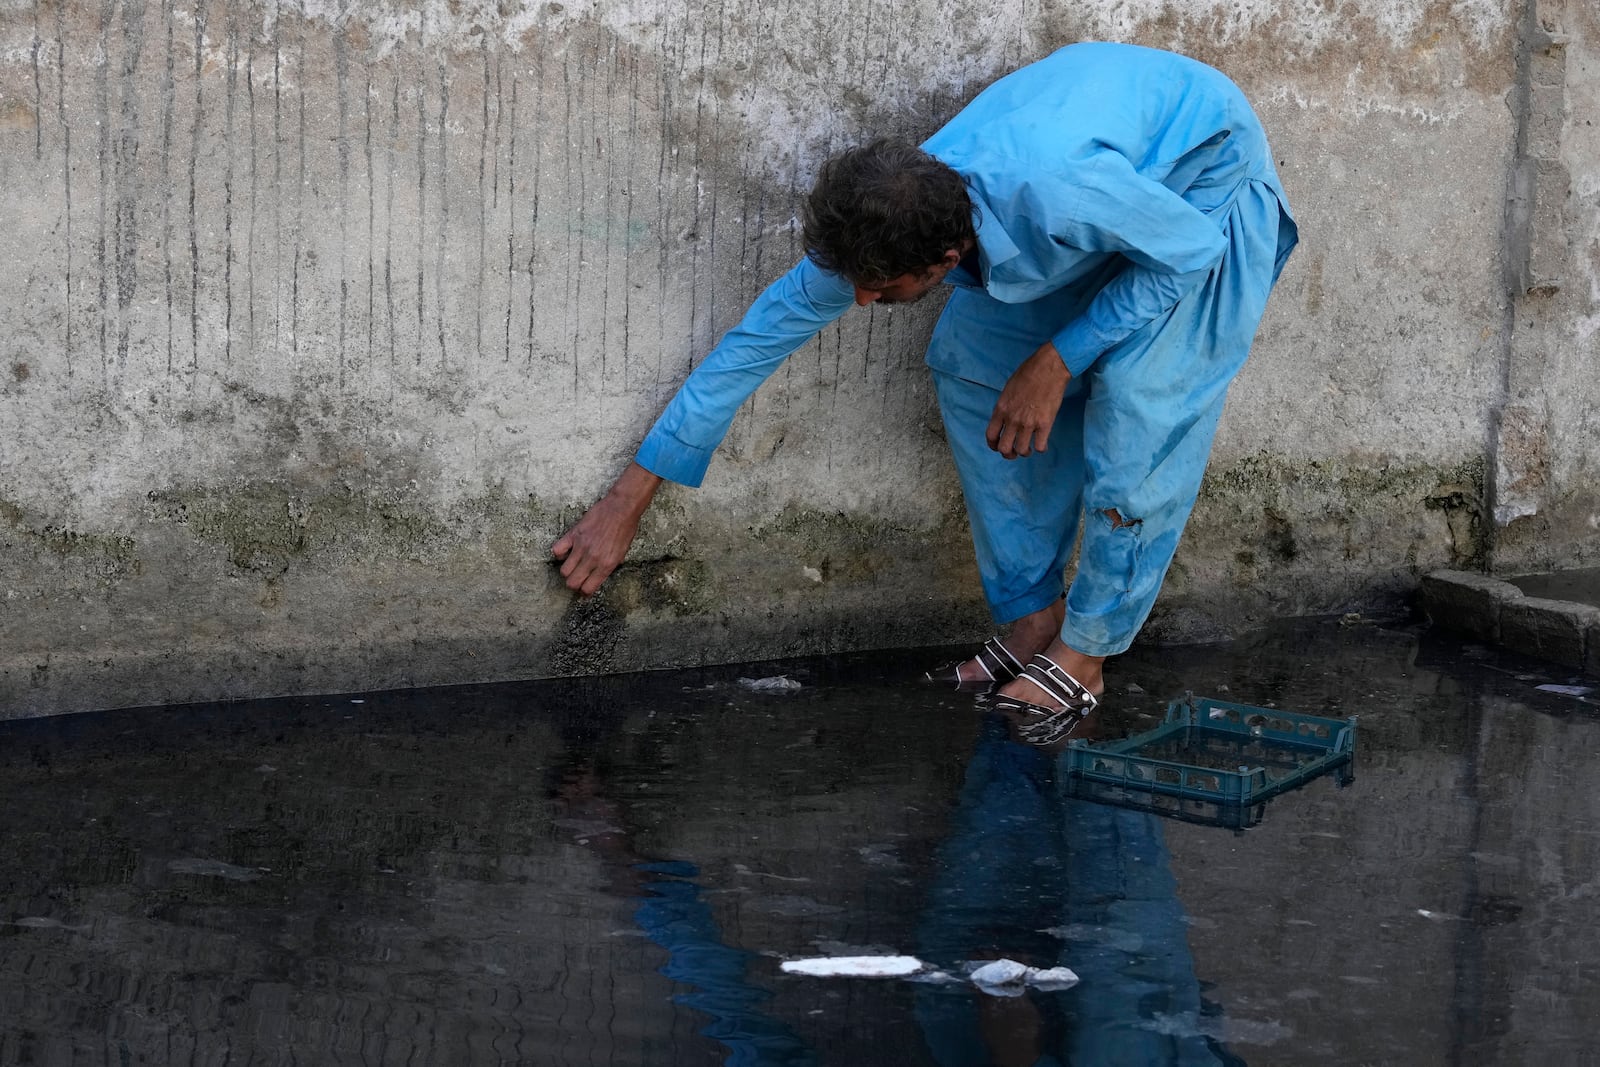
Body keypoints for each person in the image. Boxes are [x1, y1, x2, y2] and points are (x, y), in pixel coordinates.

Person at [551, 41, 1298, 742]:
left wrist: (1060, 358)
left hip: (1201, 193)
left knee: (1140, 409)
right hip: (1111, 190)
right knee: (970, 364)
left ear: (944, 258)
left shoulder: (1057, 194)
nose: (865, 303)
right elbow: (753, 345)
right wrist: (627, 500)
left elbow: (1188, 254)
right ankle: (1036, 620)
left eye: (879, 290)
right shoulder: (892, 219)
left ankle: (1086, 653)